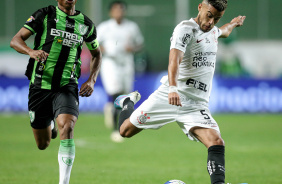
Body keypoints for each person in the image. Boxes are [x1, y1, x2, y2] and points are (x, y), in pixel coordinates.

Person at [114, 0, 245, 183]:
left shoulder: (214, 31)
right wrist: (173, 88)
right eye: (209, 15)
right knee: (125, 131)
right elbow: (174, 60)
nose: (211, 22)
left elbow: (225, 30)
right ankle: (128, 102)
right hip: (170, 96)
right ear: (200, 7)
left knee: (216, 142)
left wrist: (233, 22)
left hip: (196, 104)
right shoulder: (185, 29)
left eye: (216, 18)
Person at [10, 0, 102, 183]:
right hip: (39, 85)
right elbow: (16, 40)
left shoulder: (86, 24)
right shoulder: (44, 15)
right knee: (43, 144)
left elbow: (97, 53)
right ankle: (50, 124)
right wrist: (31, 51)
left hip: (66, 85)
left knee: (67, 127)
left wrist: (91, 80)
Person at [97, 1, 144, 143]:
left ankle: (110, 108)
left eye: (121, 10)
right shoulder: (105, 27)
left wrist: (133, 48)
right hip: (110, 63)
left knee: (125, 95)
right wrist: (103, 50)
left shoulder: (131, 27)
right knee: (116, 92)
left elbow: (139, 44)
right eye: (116, 10)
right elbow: (94, 44)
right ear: (111, 12)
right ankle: (116, 130)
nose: (119, 12)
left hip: (126, 62)